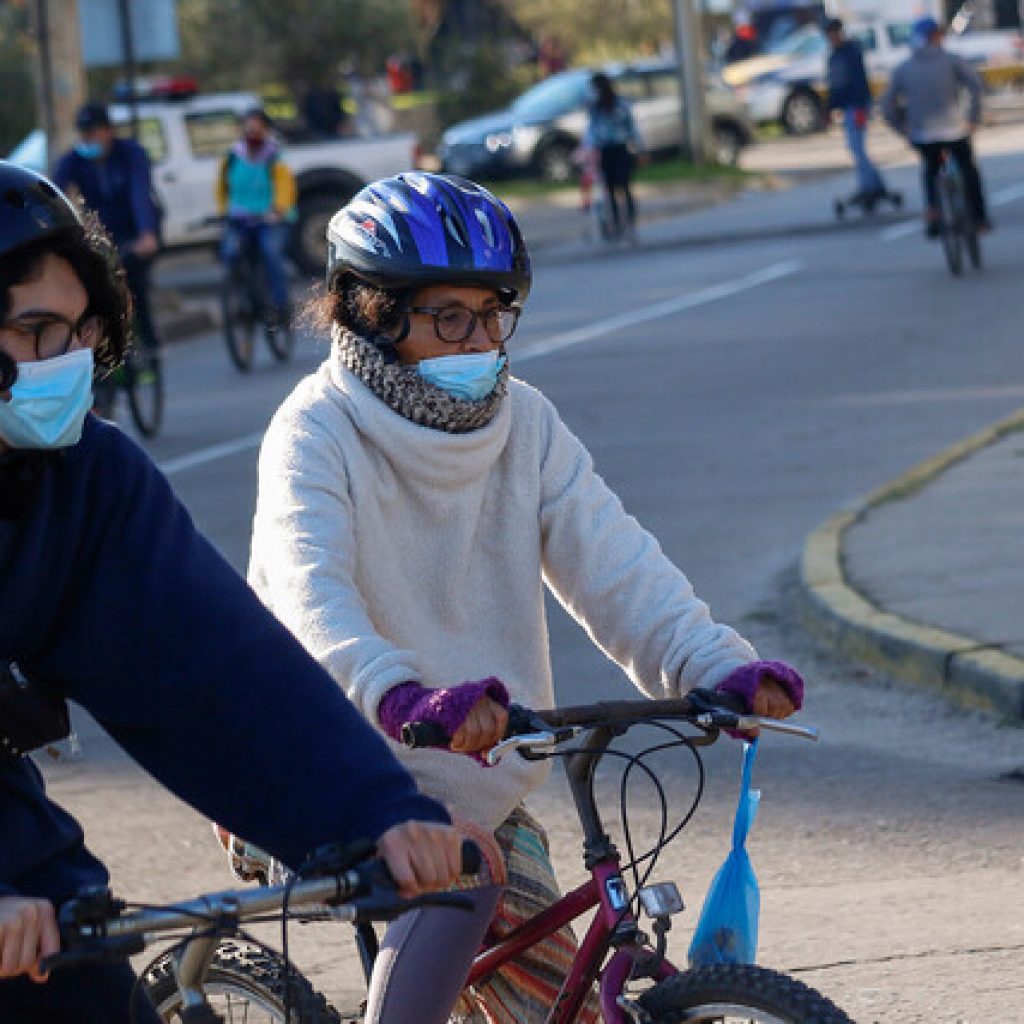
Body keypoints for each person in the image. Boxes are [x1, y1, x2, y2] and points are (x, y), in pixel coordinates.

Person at [246, 171, 806, 1024]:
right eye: (450, 318)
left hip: (473, 783)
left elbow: (616, 565)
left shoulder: (527, 424)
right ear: (373, 313)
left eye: (494, 313)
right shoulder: (316, 429)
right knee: (461, 880)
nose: (481, 342)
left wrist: (718, 666)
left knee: (566, 998)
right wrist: (401, 696)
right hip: (320, 764)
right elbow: (308, 597)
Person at [0, 161, 465, 1023]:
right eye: (35, 332)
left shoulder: (82, 477)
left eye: (74, 332)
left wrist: (372, 812)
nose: (62, 364)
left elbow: (207, 661)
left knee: (78, 975)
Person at [52, 102, 162, 353]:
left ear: (108, 131)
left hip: (136, 231)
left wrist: (147, 234)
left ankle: (148, 347)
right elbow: (54, 193)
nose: (88, 138)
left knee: (133, 287)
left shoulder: (131, 153)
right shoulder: (74, 160)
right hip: (102, 234)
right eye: (84, 133)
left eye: (93, 132)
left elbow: (139, 193)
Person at [882, 16, 990, 237]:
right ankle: (979, 219)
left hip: (922, 134)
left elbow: (886, 105)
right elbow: (976, 87)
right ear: (935, 37)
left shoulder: (904, 68)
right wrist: (973, 118)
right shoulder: (951, 61)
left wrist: (903, 130)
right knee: (968, 170)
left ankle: (933, 212)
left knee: (930, 171)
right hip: (955, 131)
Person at [215, 108, 296, 324]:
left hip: (270, 220)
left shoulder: (274, 158)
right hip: (240, 220)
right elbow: (222, 188)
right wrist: (224, 212)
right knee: (230, 253)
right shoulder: (232, 157)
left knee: (270, 251)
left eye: (258, 127)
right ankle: (243, 299)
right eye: (249, 127)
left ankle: (280, 305)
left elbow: (285, 187)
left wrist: (278, 210)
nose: (252, 132)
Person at [824, 17, 888, 204]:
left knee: (857, 147)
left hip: (856, 106)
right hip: (846, 107)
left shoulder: (851, 52)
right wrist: (830, 108)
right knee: (856, 148)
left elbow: (858, 83)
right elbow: (835, 85)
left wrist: (860, 106)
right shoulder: (834, 56)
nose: (833, 38)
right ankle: (874, 184)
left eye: (835, 34)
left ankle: (869, 187)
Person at [584, 73, 644, 244]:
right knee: (609, 190)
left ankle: (630, 225)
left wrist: (640, 149)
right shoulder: (595, 108)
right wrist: (589, 150)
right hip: (605, 151)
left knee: (624, 187)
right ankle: (617, 225)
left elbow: (631, 127)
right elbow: (592, 132)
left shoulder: (621, 105)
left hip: (620, 149)